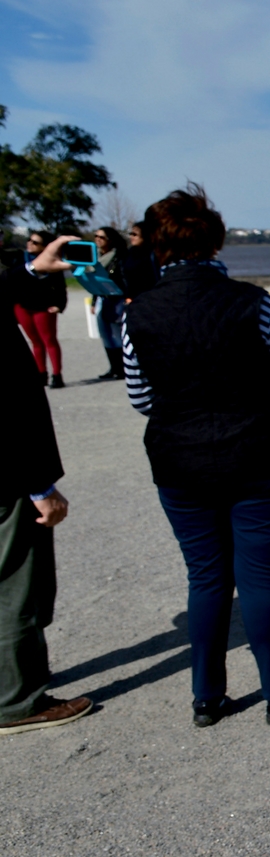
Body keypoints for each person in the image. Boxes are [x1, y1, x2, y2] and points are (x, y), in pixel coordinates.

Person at [121, 183, 270, 728]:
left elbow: (141, 398)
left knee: (206, 578)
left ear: (157, 246)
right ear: (214, 241)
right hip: (263, 455)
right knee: (261, 578)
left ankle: (207, 697)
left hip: (180, 463)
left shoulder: (136, 315)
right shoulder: (252, 302)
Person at [1, 302, 92, 734]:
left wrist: (32, 268)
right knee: (17, 587)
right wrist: (40, 485)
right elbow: (11, 403)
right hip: (9, 478)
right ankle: (18, 702)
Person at [6, 230, 69, 388]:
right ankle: (41, 374)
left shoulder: (51, 263)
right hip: (23, 306)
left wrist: (59, 305)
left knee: (49, 341)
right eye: (29, 240)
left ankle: (57, 374)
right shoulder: (19, 259)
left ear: (44, 247)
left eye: (35, 242)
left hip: (43, 307)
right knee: (35, 342)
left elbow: (60, 287)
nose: (30, 244)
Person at [87, 226, 130, 380]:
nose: (97, 239)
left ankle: (122, 368)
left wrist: (127, 297)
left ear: (110, 240)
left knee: (117, 334)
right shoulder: (96, 257)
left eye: (102, 237)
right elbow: (95, 281)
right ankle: (114, 368)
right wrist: (93, 301)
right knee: (105, 334)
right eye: (95, 236)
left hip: (118, 298)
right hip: (103, 298)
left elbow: (125, 278)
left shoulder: (119, 257)